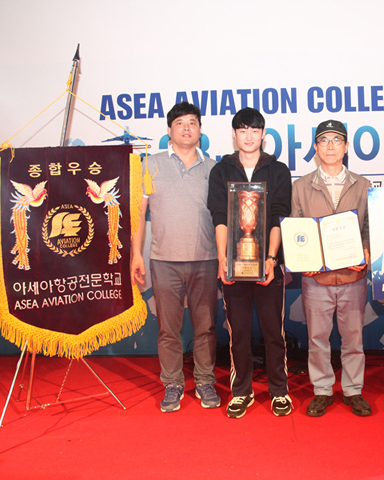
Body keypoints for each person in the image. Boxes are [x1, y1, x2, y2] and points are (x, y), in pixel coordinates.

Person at [130, 102, 220, 413]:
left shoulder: (214, 169)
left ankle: (205, 380)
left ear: (200, 130)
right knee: (168, 329)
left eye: (192, 122)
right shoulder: (150, 165)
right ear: (169, 130)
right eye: (179, 123)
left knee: (205, 328)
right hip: (163, 260)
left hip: (205, 259)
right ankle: (172, 383)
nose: (186, 128)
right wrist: (136, 255)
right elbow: (138, 213)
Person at [207, 107, 293, 418]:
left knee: (274, 332)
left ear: (263, 134)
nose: (248, 136)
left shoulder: (278, 170)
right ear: (234, 134)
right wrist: (223, 258)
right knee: (239, 333)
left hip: (268, 266)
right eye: (242, 130)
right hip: (233, 266)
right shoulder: (221, 171)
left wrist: (271, 258)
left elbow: (279, 215)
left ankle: (279, 390)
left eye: (254, 130)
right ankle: (241, 391)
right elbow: (219, 216)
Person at [290, 120, 372, 417]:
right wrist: (302, 261)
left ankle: (353, 389)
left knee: (354, 339)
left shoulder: (362, 185)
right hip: (317, 279)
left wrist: (366, 253)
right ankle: (322, 390)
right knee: (317, 340)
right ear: (316, 148)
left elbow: (369, 227)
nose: (330, 146)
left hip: (353, 276)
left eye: (337, 140)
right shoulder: (301, 186)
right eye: (324, 141)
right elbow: (295, 230)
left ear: (346, 147)